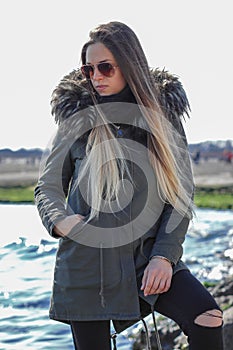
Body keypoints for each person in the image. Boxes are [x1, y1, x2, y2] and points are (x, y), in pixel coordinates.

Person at [35, 21, 224, 350]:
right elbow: (47, 186)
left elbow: (180, 196)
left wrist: (164, 257)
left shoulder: (163, 117)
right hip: (87, 266)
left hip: (146, 256)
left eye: (106, 67)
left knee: (207, 316)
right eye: (89, 69)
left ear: (129, 65)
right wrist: (60, 221)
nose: (97, 77)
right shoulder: (76, 120)